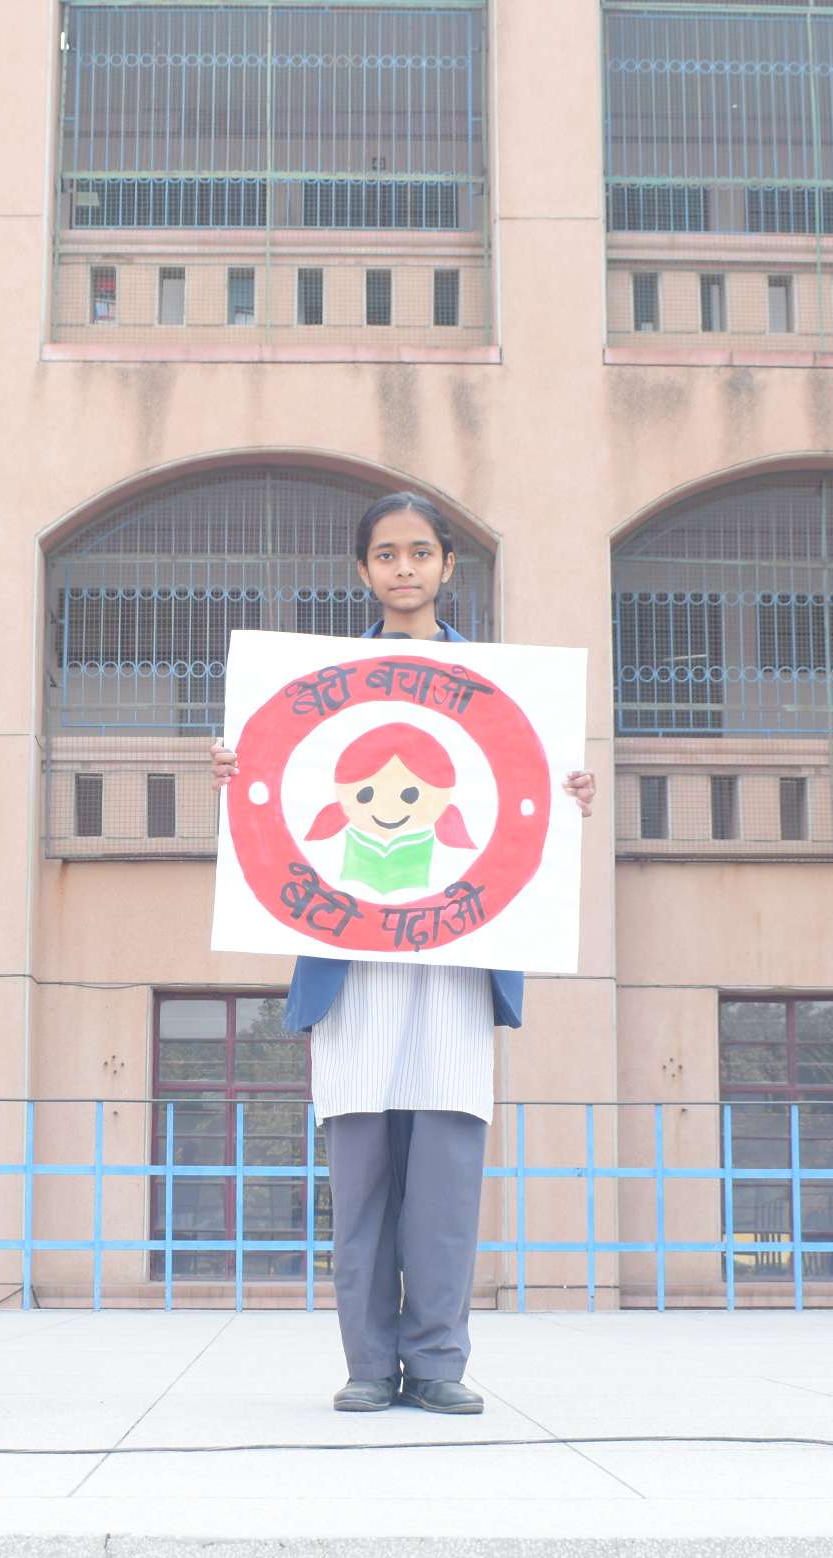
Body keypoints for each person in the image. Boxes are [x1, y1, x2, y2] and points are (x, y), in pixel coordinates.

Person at [214, 492, 595, 1415]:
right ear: (364, 570)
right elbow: (278, 798)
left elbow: (524, 814)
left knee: (445, 1187)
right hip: (352, 975)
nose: (404, 569)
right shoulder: (316, 688)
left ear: (447, 566)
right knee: (362, 1185)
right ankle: (365, 1364)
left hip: (456, 970)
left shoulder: (504, 693)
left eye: (420, 552)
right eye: (386, 554)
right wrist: (238, 768)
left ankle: (436, 1362)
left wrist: (565, 789)